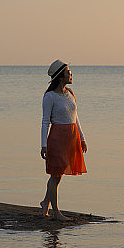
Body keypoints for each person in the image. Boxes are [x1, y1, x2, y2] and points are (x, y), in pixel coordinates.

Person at [40, 59, 87, 220]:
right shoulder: (50, 96)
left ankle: (45, 204)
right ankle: (56, 212)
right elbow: (45, 121)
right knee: (55, 175)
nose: (71, 74)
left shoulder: (70, 94)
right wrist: (43, 145)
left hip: (71, 137)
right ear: (61, 76)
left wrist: (82, 138)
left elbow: (76, 117)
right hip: (57, 138)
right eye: (68, 72)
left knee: (57, 175)